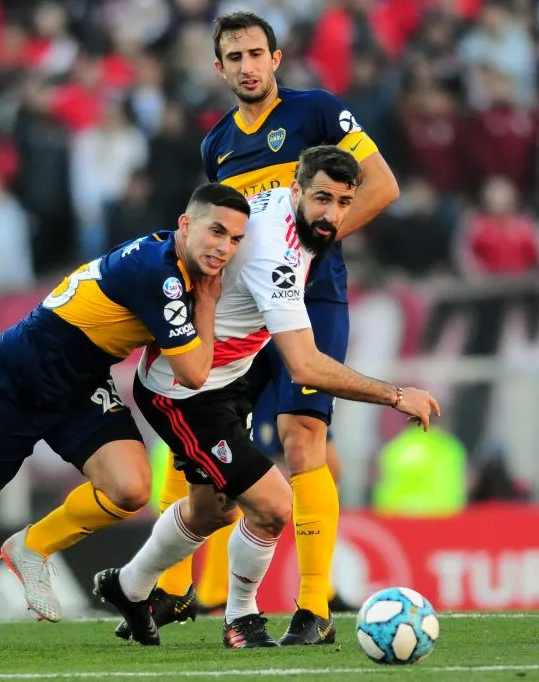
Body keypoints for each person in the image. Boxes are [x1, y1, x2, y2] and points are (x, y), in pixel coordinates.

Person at [0, 183, 248, 652]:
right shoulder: (161, 275)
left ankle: (33, 546)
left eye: (235, 240)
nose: (224, 247)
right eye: (216, 231)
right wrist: (206, 301)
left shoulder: (174, 263)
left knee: (129, 488)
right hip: (19, 374)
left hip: (79, 383)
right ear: (186, 224)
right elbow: (194, 371)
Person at [96, 145, 439, 648]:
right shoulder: (272, 254)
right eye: (322, 198)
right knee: (274, 506)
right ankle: (242, 619)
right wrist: (394, 394)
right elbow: (304, 365)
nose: (333, 215)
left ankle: (128, 586)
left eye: (344, 202)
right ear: (297, 190)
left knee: (212, 509)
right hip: (185, 392)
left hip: (228, 377)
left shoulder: (285, 210)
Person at [143, 10, 401, 643]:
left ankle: (314, 610)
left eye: (257, 54)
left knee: (301, 435)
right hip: (245, 313)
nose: (248, 66)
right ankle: (175, 591)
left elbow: (383, 185)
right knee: (199, 431)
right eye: (235, 58)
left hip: (315, 302)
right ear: (220, 68)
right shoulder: (217, 144)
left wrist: (311, 248)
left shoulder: (316, 112)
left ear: (276, 58)